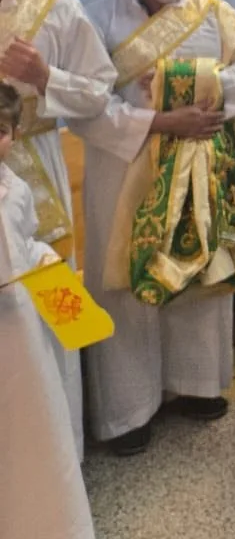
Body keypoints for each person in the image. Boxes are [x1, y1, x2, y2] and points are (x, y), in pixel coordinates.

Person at [77, 0, 235, 455]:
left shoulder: (215, 13)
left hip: (201, 168)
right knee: (124, 280)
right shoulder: (94, 21)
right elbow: (85, 105)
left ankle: (196, 385)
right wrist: (160, 119)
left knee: (198, 269)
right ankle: (127, 411)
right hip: (125, 172)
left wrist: (198, 86)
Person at [0, 0, 117, 455]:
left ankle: (64, 453)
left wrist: (46, 76)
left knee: (54, 307)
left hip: (36, 179)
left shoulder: (58, 10)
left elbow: (98, 92)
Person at [0, 83, 94, 537]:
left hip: (23, 337)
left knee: (34, 424)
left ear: (14, 135)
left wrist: (47, 265)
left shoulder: (15, 188)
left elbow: (26, 239)